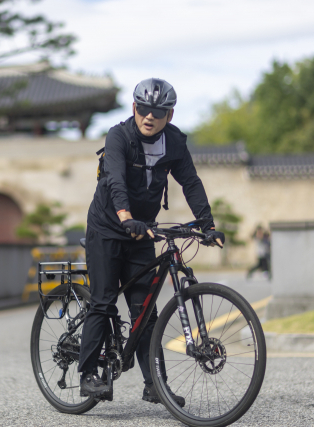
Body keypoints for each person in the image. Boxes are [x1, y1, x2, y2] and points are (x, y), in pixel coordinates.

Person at [78, 78, 225, 404]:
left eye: (157, 112)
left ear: (169, 115)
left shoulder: (173, 142)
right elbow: (115, 178)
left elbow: (190, 181)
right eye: (143, 109)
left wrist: (207, 224)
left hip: (142, 231)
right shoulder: (119, 136)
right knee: (103, 302)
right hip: (107, 228)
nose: (149, 116)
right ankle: (87, 375)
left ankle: (154, 384)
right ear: (134, 108)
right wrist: (125, 216)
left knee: (146, 313)